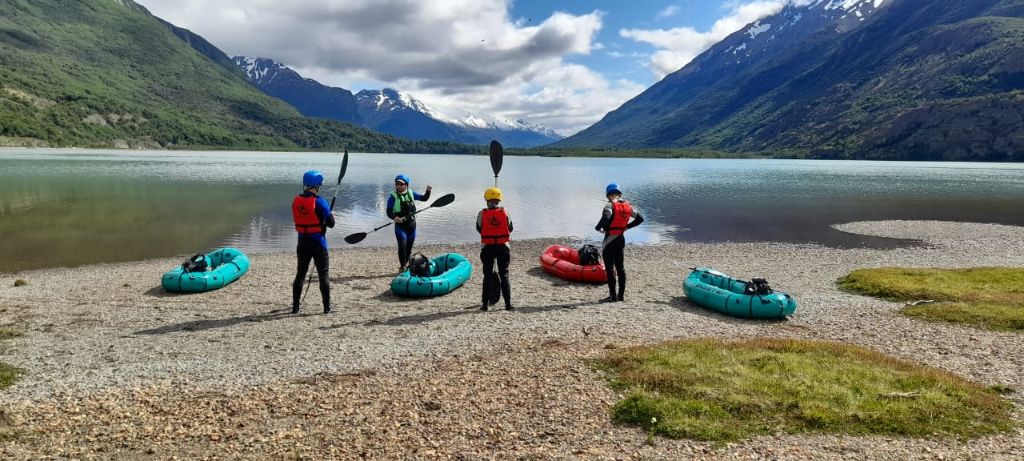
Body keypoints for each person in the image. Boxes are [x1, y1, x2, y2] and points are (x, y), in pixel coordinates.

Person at [291, 170, 336, 314]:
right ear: (316, 186)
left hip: (302, 243)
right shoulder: (320, 201)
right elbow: (331, 224)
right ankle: (327, 307)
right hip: (318, 243)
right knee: (323, 275)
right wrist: (330, 215)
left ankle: (295, 307)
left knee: (300, 274)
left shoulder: (296, 200)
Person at [594, 183, 644, 303]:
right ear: (619, 193)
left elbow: (606, 217)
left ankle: (612, 296)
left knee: (610, 268)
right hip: (621, 238)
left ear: (608, 195)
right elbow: (640, 218)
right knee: (620, 268)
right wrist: (627, 226)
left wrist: (598, 227)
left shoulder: (609, 206)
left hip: (610, 239)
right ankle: (620, 296)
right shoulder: (628, 206)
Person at [477, 187, 513, 311]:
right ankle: (508, 305)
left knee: (487, 275)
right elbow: (511, 228)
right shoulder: (505, 212)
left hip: (488, 247)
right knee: (504, 275)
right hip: (503, 247)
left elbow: (479, 228)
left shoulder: (482, 213)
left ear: (486, 200)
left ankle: (485, 305)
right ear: (499, 201)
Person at [386, 174, 431, 272]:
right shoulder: (392, 197)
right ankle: (402, 266)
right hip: (400, 227)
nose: (399, 186)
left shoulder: (411, 193)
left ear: (406, 185)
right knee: (402, 246)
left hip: (412, 226)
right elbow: (388, 211)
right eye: (397, 184)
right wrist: (395, 217)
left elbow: (424, 198)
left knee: (409, 248)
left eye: (401, 184)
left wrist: (428, 190)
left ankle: (406, 264)